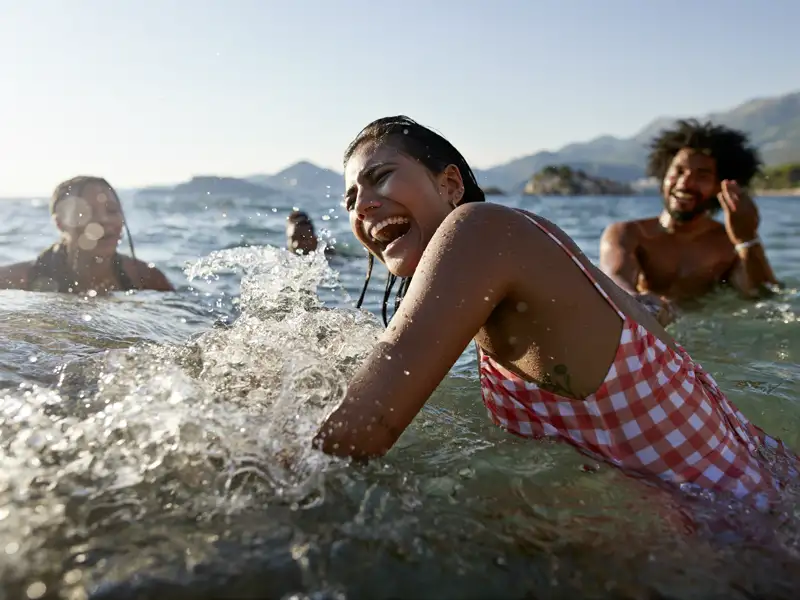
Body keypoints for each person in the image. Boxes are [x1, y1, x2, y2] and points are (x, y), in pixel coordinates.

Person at [314, 116, 797, 505]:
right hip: (748, 492)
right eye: (351, 199)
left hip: (747, 519)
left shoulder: (479, 230)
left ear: (450, 184)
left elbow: (361, 431)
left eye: (379, 177)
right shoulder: (508, 261)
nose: (363, 207)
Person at [599, 120, 780, 321]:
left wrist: (748, 239)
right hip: (650, 326)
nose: (685, 183)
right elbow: (614, 282)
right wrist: (641, 305)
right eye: (678, 171)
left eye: (701, 176)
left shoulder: (727, 246)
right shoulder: (629, 234)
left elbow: (764, 296)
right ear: (664, 173)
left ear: (720, 187)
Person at [0, 176, 173, 294]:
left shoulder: (147, 278)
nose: (104, 220)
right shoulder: (15, 280)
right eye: (84, 212)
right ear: (60, 223)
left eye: (112, 210)